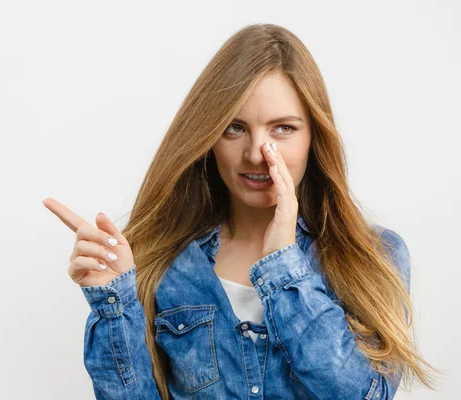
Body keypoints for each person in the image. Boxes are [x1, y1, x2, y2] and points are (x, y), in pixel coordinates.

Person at [43, 23, 441, 399]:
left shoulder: (374, 255)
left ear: (313, 137)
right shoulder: (162, 260)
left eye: (283, 128)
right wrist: (115, 304)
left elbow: (363, 393)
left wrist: (284, 264)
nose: (256, 154)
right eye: (234, 128)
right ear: (208, 136)